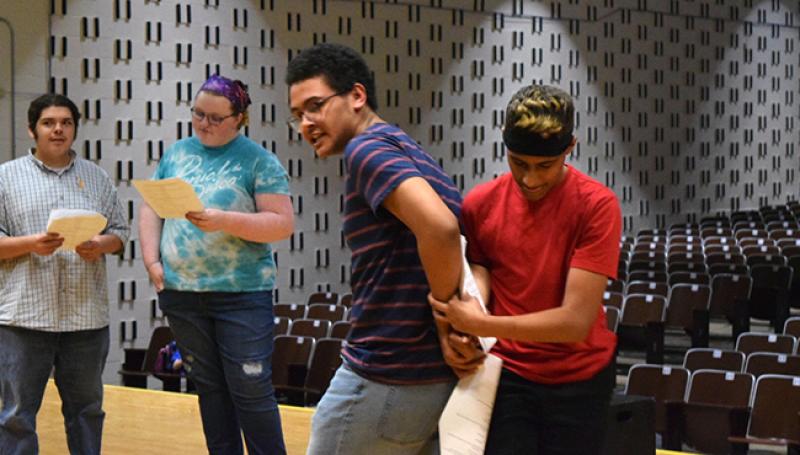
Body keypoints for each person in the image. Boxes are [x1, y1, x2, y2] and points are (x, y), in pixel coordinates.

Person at [286, 43, 480, 455]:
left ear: (357, 96)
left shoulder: (366, 150)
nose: (306, 123)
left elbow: (442, 230)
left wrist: (448, 322)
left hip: (385, 374)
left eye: (316, 106)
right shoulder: (407, 148)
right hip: (428, 379)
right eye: (298, 115)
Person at [429, 84, 623, 455]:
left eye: (544, 166)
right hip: (509, 375)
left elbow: (575, 322)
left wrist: (480, 325)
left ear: (570, 148)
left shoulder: (597, 206)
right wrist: (467, 323)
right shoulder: (480, 203)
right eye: (519, 163)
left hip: (579, 378)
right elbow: (482, 268)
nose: (530, 179)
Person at [138, 75, 293, 455]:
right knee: (208, 388)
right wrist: (151, 260)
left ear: (240, 118)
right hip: (182, 292)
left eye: (215, 118)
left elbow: (281, 224)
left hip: (241, 294)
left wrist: (225, 219)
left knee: (251, 389)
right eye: (198, 114)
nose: (204, 124)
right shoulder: (177, 153)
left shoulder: (259, 160)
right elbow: (152, 206)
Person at [0, 93, 130, 454]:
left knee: (87, 412)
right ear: (32, 130)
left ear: (74, 129)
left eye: (66, 123)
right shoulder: (5, 177)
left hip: (85, 320)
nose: (58, 129)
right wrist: (30, 244)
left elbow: (120, 232)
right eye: (48, 123)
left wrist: (101, 244)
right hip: (24, 318)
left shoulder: (98, 177)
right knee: (16, 416)